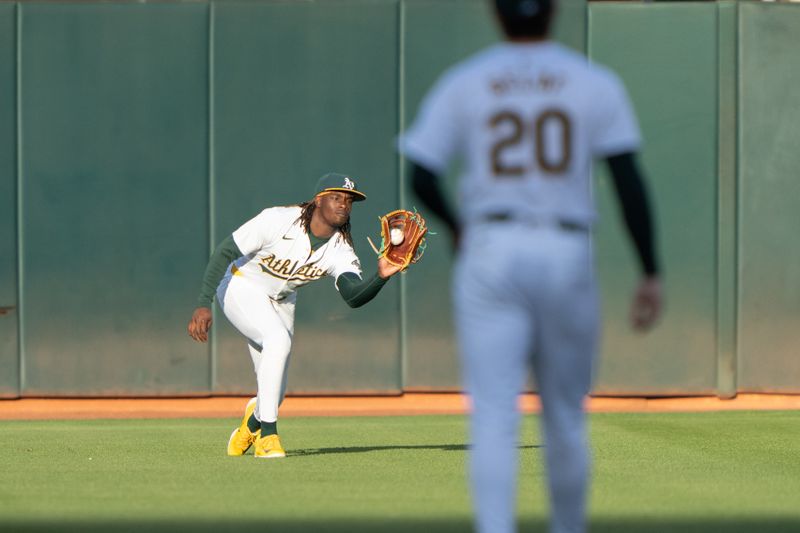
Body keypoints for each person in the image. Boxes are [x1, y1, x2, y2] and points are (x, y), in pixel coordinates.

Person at [398, 0, 663, 531]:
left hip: (492, 247)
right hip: (566, 249)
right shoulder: (591, 81)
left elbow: (421, 175)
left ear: (496, 14)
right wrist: (649, 270)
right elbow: (629, 181)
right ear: (554, 11)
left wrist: (456, 224)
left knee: (494, 416)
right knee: (565, 418)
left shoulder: (467, 80)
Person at [187, 173, 402, 459]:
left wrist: (381, 276)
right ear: (318, 201)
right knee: (278, 341)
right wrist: (204, 302)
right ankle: (268, 437)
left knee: (277, 392)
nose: (344, 205)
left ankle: (250, 426)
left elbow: (352, 295)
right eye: (336, 197)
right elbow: (225, 251)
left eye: (349, 201)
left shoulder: (340, 248)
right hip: (240, 284)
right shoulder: (277, 219)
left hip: (282, 300)